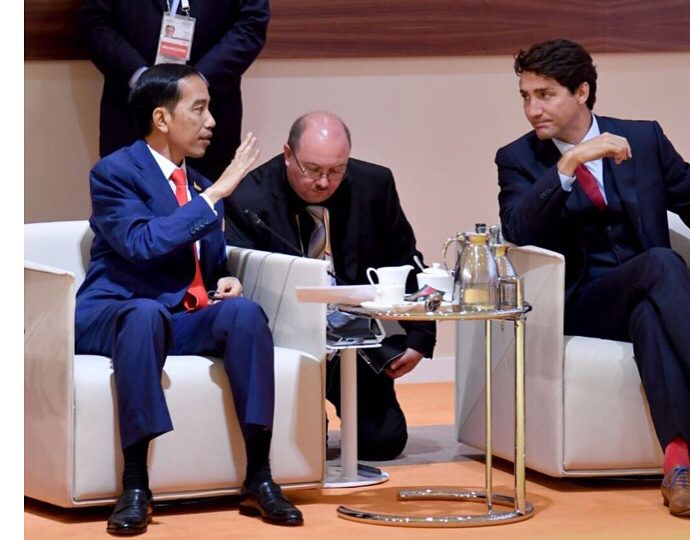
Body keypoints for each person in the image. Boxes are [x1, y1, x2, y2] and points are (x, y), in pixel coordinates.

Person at [495, 38, 690, 518]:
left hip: (660, 297)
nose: (531, 109)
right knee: (662, 263)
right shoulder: (518, 159)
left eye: (545, 94)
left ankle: (678, 470)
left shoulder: (643, 140)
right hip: (587, 301)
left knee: (651, 307)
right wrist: (570, 162)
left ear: (581, 92)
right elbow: (518, 229)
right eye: (525, 96)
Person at [75, 63, 302, 534]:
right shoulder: (115, 173)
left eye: (210, 108)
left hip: (176, 316)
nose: (212, 121)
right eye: (199, 109)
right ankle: (135, 483)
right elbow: (143, 243)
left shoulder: (196, 183)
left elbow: (200, 262)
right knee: (142, 313)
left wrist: (224, 281)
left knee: (243, 314)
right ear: (162, 118)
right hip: (116, 314)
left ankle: (259, 476)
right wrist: (217, 194)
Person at [225, 111, 436, 461]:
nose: (324, 182)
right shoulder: (249, 198)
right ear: (288, 154)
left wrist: (420, 337)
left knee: (383, 443)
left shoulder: (374, 184)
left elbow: (405, 260)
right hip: (287, 343)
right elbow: (245, 280)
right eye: (311, 170)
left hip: (356, 339)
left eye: (336, 170)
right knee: (305, 448)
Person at [78, 0, 269, 182]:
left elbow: (251, 23)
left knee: (206, 206)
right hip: (131, 109)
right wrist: (142, 80)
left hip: (212, 110)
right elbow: (95, 22)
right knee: (129, 203)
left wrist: (195, 84)